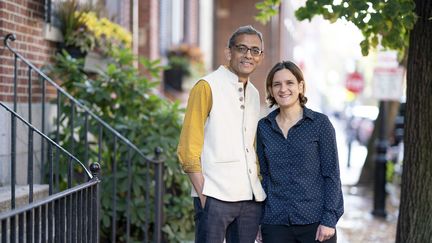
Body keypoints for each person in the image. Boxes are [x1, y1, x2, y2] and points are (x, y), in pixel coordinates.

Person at [177, 25, 266, 243]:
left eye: (255, 50)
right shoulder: (206, 86)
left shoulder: (254, 94)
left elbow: (251, 148)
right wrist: (204, 195)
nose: (248, 55)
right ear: (229, 52)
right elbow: (188, 148)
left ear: (260, 57)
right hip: (214, 196)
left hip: (250, 200)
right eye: (242, 48)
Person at [256, 61, 344, 243]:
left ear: (301, 86)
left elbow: (332, 175)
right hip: (275, 223)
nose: (283, 89)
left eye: (289, 83)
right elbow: (263, 176)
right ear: (271, 90)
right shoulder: (264, 127)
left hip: (315, 223)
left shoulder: (320, 124)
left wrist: (329, 219)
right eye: (276, 84)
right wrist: (259, 220)